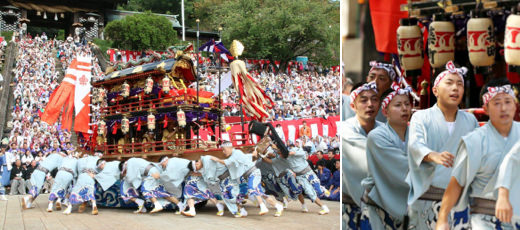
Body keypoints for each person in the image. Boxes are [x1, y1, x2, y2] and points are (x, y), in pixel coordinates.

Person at [435, 80, 519, 229]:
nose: (504, 108)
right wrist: (443, 218)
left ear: (515, 105)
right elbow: (456, 184)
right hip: (484, 220)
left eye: (508, 102)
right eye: (497, 103)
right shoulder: (474, 141)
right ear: (485, 109)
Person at [407, 61, 478, 229]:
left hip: (459, 200)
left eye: (459, 84)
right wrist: (433, 155)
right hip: (427, 198)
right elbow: (415, 145)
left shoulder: (470, 120)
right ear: (435, 90)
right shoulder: (421, 117)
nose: (455, 88)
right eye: (449, 83)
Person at [361, 82, 412, 229]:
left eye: (407, 104)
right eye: (398, 105)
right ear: (385, 111)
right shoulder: (377, 136)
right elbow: (403, 169)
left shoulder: (416, 133)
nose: (404, 109)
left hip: (409, 206)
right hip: (380, 205)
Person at [342, 81, 382, 229]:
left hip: (379, 208)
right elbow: (376, 162)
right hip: (348, 208)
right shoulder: (346, 130)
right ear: (353, 105)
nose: (370, 104)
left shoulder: (386, 132)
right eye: (364, 100)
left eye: (374, 99)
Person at [211, 141, 284, 217]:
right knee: (260, 193)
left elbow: (226, 162)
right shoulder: (236, 154)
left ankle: (263, 207)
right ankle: (278, 206)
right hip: (250, 175)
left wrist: (216, 159)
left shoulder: (236, 154)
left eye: (224, 150)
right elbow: (245, 157)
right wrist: (252, 154)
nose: (223, 152)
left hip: (253, 173)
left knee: (252, 188)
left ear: (230, 148)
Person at [286, 143, 330, 215]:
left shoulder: (298, 150)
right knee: (310, 193)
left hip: (308, 173)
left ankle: (322, 188)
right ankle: (324, 207)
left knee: (318, 190)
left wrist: (292, 153)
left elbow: (301, 153)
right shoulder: (284, 158)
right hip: (300, 176)